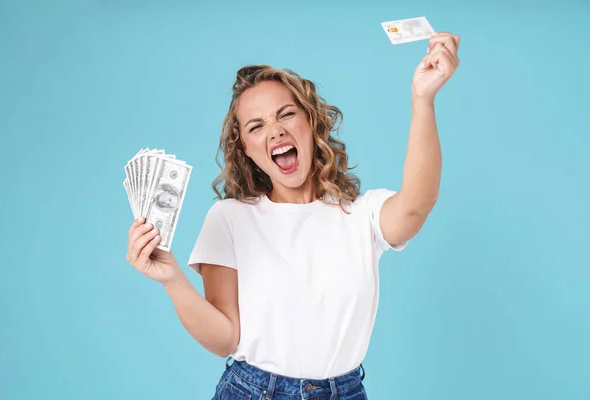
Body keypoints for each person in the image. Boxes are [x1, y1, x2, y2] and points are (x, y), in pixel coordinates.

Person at [126, 32, 460, 399]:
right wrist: (172, 279)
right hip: (253, 391)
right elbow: (225, 339)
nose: (276, 130)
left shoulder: (362, 214)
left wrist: (423, 98)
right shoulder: (229, 218)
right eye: (256, 126)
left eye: (286, 114)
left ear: (311, 123)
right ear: (247, 150)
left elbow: (415, 204)